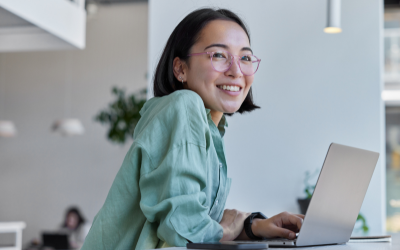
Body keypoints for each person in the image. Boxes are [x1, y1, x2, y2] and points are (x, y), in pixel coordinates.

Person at [82, 8, 304, 250]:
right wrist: (228, 229)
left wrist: (252, 226)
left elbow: (191, 216)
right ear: (180, 69)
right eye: (219, 55)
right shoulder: (183, 106)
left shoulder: (210, 129)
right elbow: (184, 229)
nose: (236, 70)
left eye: (245, 58)